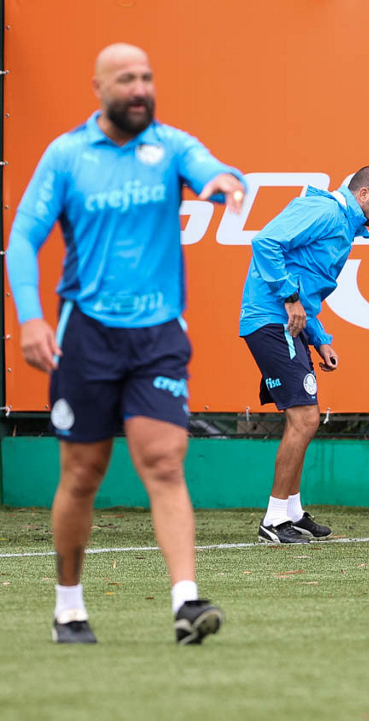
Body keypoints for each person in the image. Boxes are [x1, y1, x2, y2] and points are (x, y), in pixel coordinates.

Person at [5, 43, 246, 644]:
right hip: (85, 333)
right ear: (99, 88)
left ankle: (187, 602)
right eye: (126, 79)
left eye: (147, 77)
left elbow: (212, 168)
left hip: (158, 334)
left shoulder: (171, 146)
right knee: (83, 473)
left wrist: (224, 181)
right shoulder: (66, 155)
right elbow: (23, 238)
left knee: (163, 462)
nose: (140, 89)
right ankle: (68, 605)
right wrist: (31, 319)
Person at [239, 167, 369, 544]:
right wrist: (290, 297)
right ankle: (273, 520)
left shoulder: (343, 225)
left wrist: (320, 339)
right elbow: (265, 242)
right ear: (363, 194)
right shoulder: (325, 211)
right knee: (305, 419)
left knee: (305, 419)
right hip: (271, 321)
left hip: (289, 324)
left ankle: (292, 512)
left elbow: (304, 288)